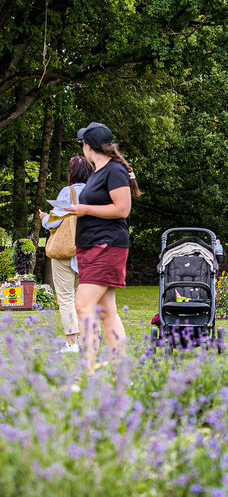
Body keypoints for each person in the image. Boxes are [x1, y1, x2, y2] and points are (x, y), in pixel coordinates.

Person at [66, 122, 142, 368]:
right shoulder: (98, 172)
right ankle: (119, 364)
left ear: (89, 147)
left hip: (106, 246)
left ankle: (88, 366)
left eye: (82, 144)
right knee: (107, 310)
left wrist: (85, 209)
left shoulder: (114, 170)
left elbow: (122, 209)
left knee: (83, 304)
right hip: (92, 246)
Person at [39, 156, 94, 353]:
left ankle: (72, 344)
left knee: (66, 298)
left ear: (72, 174)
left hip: (65, 252)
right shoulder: (96, 193)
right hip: (88, 251)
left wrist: (44, 218)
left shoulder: (69, 192)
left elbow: (52, 222)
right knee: (83, 299)